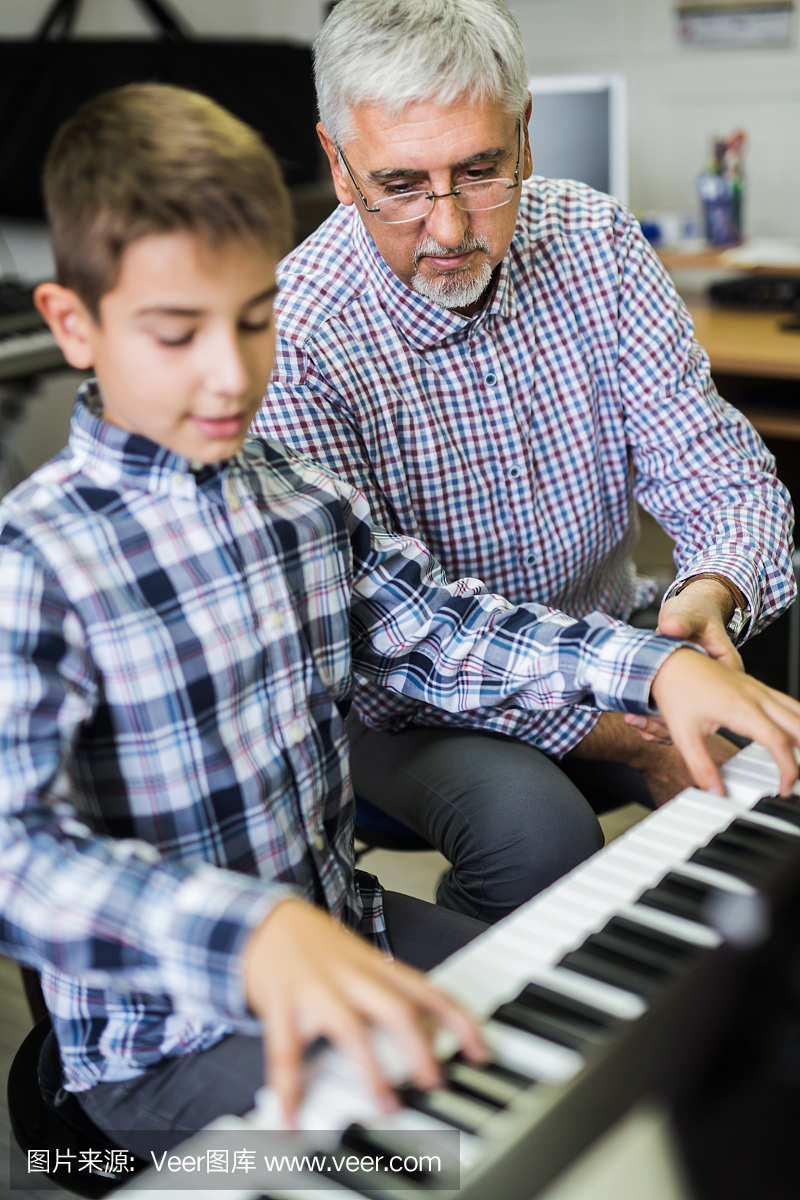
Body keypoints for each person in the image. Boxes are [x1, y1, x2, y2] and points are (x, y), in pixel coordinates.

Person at [2, 82, 799, 1160]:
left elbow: (446, 627)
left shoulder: (291, 496)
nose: (229, 373)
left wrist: (650, 670)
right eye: (175, 333)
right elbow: (17, 852)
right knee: (448, 1145)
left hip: (351, 925)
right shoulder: (37, 563)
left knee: (579, 1049)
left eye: (252, 319)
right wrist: (249, 932)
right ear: (74, 324)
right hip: (166, 1038)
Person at [255, 0, 797, 923]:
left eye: (480, 170)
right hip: (405, 696)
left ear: (525, 134)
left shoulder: (599, 243)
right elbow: (388, 645)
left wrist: (712, 595)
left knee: (770, 705)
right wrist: (634, 728)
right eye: (401, 184)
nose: (450, 227)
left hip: (606, 638)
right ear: (338, 166)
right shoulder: (295, 336)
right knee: (534, 830)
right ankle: (506, 1052)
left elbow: (726, 479)